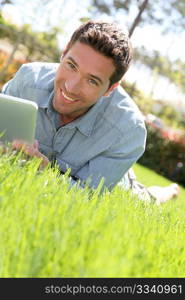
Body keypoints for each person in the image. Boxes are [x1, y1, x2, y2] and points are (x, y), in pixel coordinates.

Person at [1, 20, 179, 204]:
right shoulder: (27, 81)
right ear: (63, 54)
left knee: (141, 200)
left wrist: (43, 173)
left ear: (111, 88)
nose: (71, 87)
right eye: (72, 65)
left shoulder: (127, 131)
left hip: (105, 165)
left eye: (92, 81)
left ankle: (164, 193)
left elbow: (88, 197)